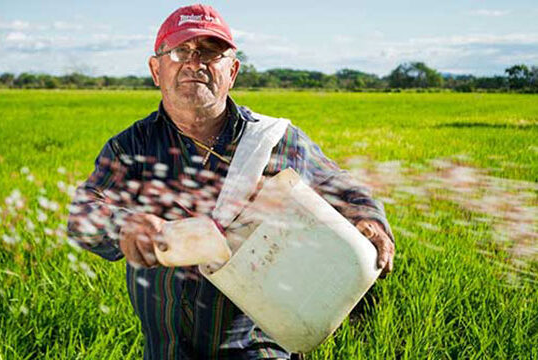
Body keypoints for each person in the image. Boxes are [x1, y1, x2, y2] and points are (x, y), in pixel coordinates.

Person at [67, 4, 395, 359]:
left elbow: (342, 187)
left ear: (232, 71)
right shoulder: (131, 147)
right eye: (180, 51)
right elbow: (82, 213)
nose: (195, 63)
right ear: (155, 70)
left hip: (260, 346)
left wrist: (370, 220)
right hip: (167, 350)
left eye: (210, 52)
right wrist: (122, 224)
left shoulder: (274, 140)